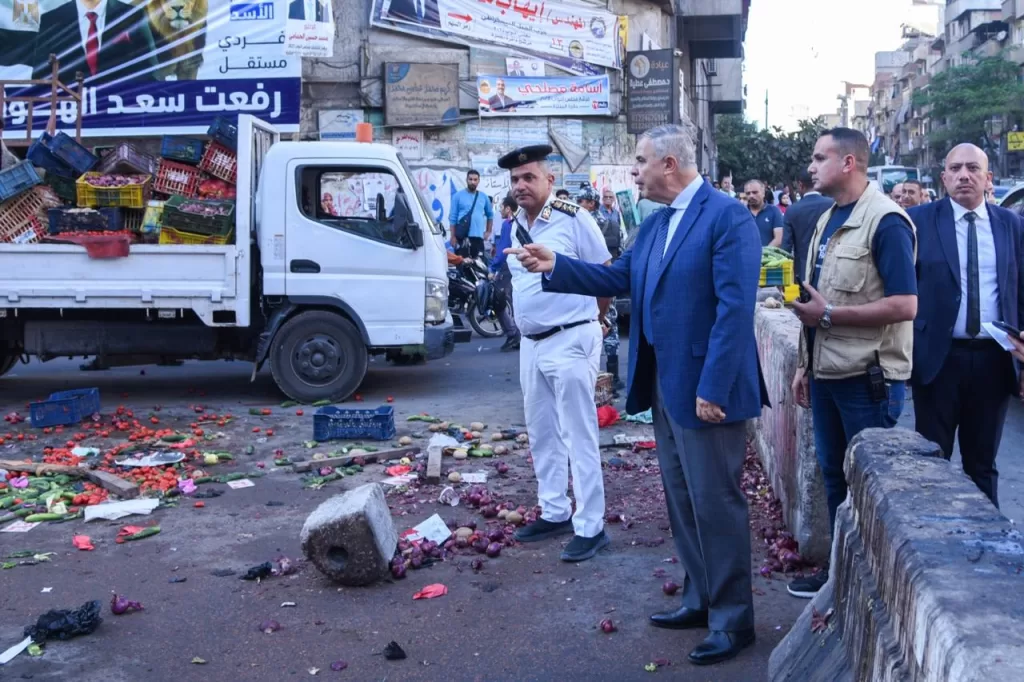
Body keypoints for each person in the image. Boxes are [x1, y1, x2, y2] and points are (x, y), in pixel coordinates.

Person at [509, 124, 762, 666]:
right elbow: (617, 276)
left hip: (707, 393)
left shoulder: (726, 216)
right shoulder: (654, 225)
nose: (634, 173)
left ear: (669, 164)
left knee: (716, 503)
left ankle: (734, 620)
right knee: (684, 501)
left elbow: (734, 309)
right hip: (667, 390)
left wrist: (714, 387)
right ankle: (699, 599)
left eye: (641, 162)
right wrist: (557, 266)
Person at [789, 128, 918, 598]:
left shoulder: (886, 221)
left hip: (868, 380)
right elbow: (819, 295)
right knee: (834, 479)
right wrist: (804, 364)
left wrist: (829, 316)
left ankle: (870, 587)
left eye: (820, 157)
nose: (811, 166)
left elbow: (905, 305)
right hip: (827, 374)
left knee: (868, 489)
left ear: (848, 164)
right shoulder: (828, 219)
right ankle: (841, 576)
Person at [499, 144, 613, 563]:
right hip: (532, 344)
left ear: (550, 180)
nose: (521, 186)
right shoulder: (515, 226)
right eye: (515, 180)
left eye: (529, 177)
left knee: (577, 432)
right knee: (542, 431)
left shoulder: (573, 217)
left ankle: (591, 525)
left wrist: (593, 325)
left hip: (570, 338)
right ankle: (554, 510)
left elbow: (605, 272)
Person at [907, 143, 1024, 508]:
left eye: (973, 168)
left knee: (982, 465)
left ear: (988, 179)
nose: (963, 175)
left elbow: (1019, 287)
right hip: (938, 361)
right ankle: (928, 548)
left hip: (994, 361)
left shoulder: (1011, 225)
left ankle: (989, 553)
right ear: (943, 178)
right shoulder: (919, 222)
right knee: (931, 463)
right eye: (955, 169)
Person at [32, 0, 159, 84]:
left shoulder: (130, 14)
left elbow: (147, 67)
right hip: (68, 112)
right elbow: (41, 76)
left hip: (121, 109)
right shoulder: (51, 20)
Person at [577, 182, 623, 391]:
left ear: (592, 203)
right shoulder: (609, 220)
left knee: (596, 323)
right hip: (605, 276)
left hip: (591, 278)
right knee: (607, 324)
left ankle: (598, 377)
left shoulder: (584, 221)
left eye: (583, 201)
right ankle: (611, 378)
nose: (579, 205)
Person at [781, 170, 833, 278]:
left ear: (800, 184)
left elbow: (786, 246)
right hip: (830, 266)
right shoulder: (832, 205)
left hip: (803, 270)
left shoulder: (792, 210)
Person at [488, 195, 522, 352]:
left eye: (502, 207)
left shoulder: (508, 224)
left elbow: (503, 249)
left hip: (507, 267)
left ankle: (512, 334)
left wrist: (493, 268)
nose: (500, 210)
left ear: (508, 208)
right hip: (519, 266)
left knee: (499, 302)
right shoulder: (520, 222)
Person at [450, 170, 494, 259]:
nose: (472, 182)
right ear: (466, 180)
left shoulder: (483, 197)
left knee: (478, 266)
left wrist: (488, 231)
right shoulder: (457, 196)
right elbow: (453, 218)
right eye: (470, 179)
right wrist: (453, 236)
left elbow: (490, 215)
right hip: (462, 237)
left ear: (478, 181)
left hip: (478, 238)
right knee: (462, 265)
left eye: (475, 179)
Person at [745, 179, 784, 247]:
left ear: (763, 193)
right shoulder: (740, 213)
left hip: (768, 256)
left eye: (755, 192)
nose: (751, 196)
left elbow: (779, 239)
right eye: (748, 193)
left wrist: (763, 254)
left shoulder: (774, 211)